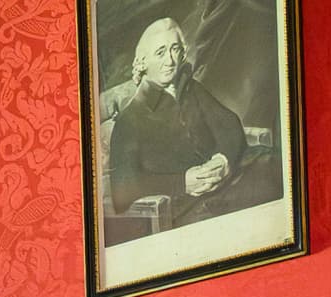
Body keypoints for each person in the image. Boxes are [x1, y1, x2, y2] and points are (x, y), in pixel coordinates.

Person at [102, 17, 259, 233]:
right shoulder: (130, 120)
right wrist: (182, 182)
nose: (170, 61)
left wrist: (223, 160)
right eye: (160, 53)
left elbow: (230, 124)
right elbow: (123, 189)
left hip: (225, 188)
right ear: (143, 63)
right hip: (185, 211)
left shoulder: (191, 90)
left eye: (174, 49)